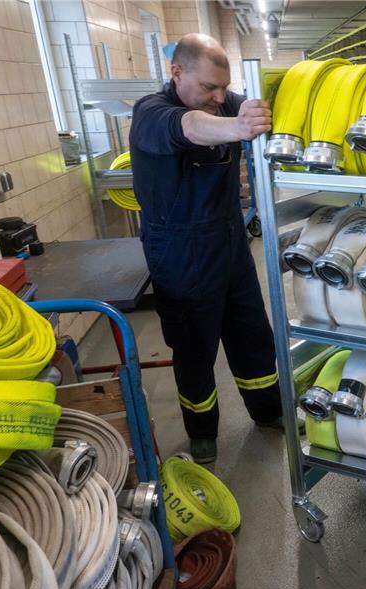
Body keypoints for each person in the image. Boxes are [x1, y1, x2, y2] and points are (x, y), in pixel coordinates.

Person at [130, 34, 279, 464]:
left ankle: (268, 412)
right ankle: (202, 432)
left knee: (252, 334)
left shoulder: (221, 100)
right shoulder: (151, 113)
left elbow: (240, 108)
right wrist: (237, 127)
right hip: (180, 250)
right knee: (195, 349)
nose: (219, 96)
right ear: (177, 73)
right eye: (209, 88)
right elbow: (190, 127)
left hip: (230, 243)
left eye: (224, 87)